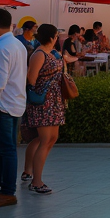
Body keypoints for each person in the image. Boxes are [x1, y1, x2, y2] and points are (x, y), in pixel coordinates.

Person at [0, 9, 28, 208]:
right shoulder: (16, 45)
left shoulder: (2, 48)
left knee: (4, 149)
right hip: (12, 103)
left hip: (1, 105)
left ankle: (7, 191)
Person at [21, 25, 71, 192]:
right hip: (43, 103)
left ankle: (29, 172)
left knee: (50, 138)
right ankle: (36, 181)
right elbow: (31, 79)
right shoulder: (39, 54)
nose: (57, 38)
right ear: (51, 37)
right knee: (44, 140)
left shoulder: (53, 54)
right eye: (56, 35)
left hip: (55, 102)